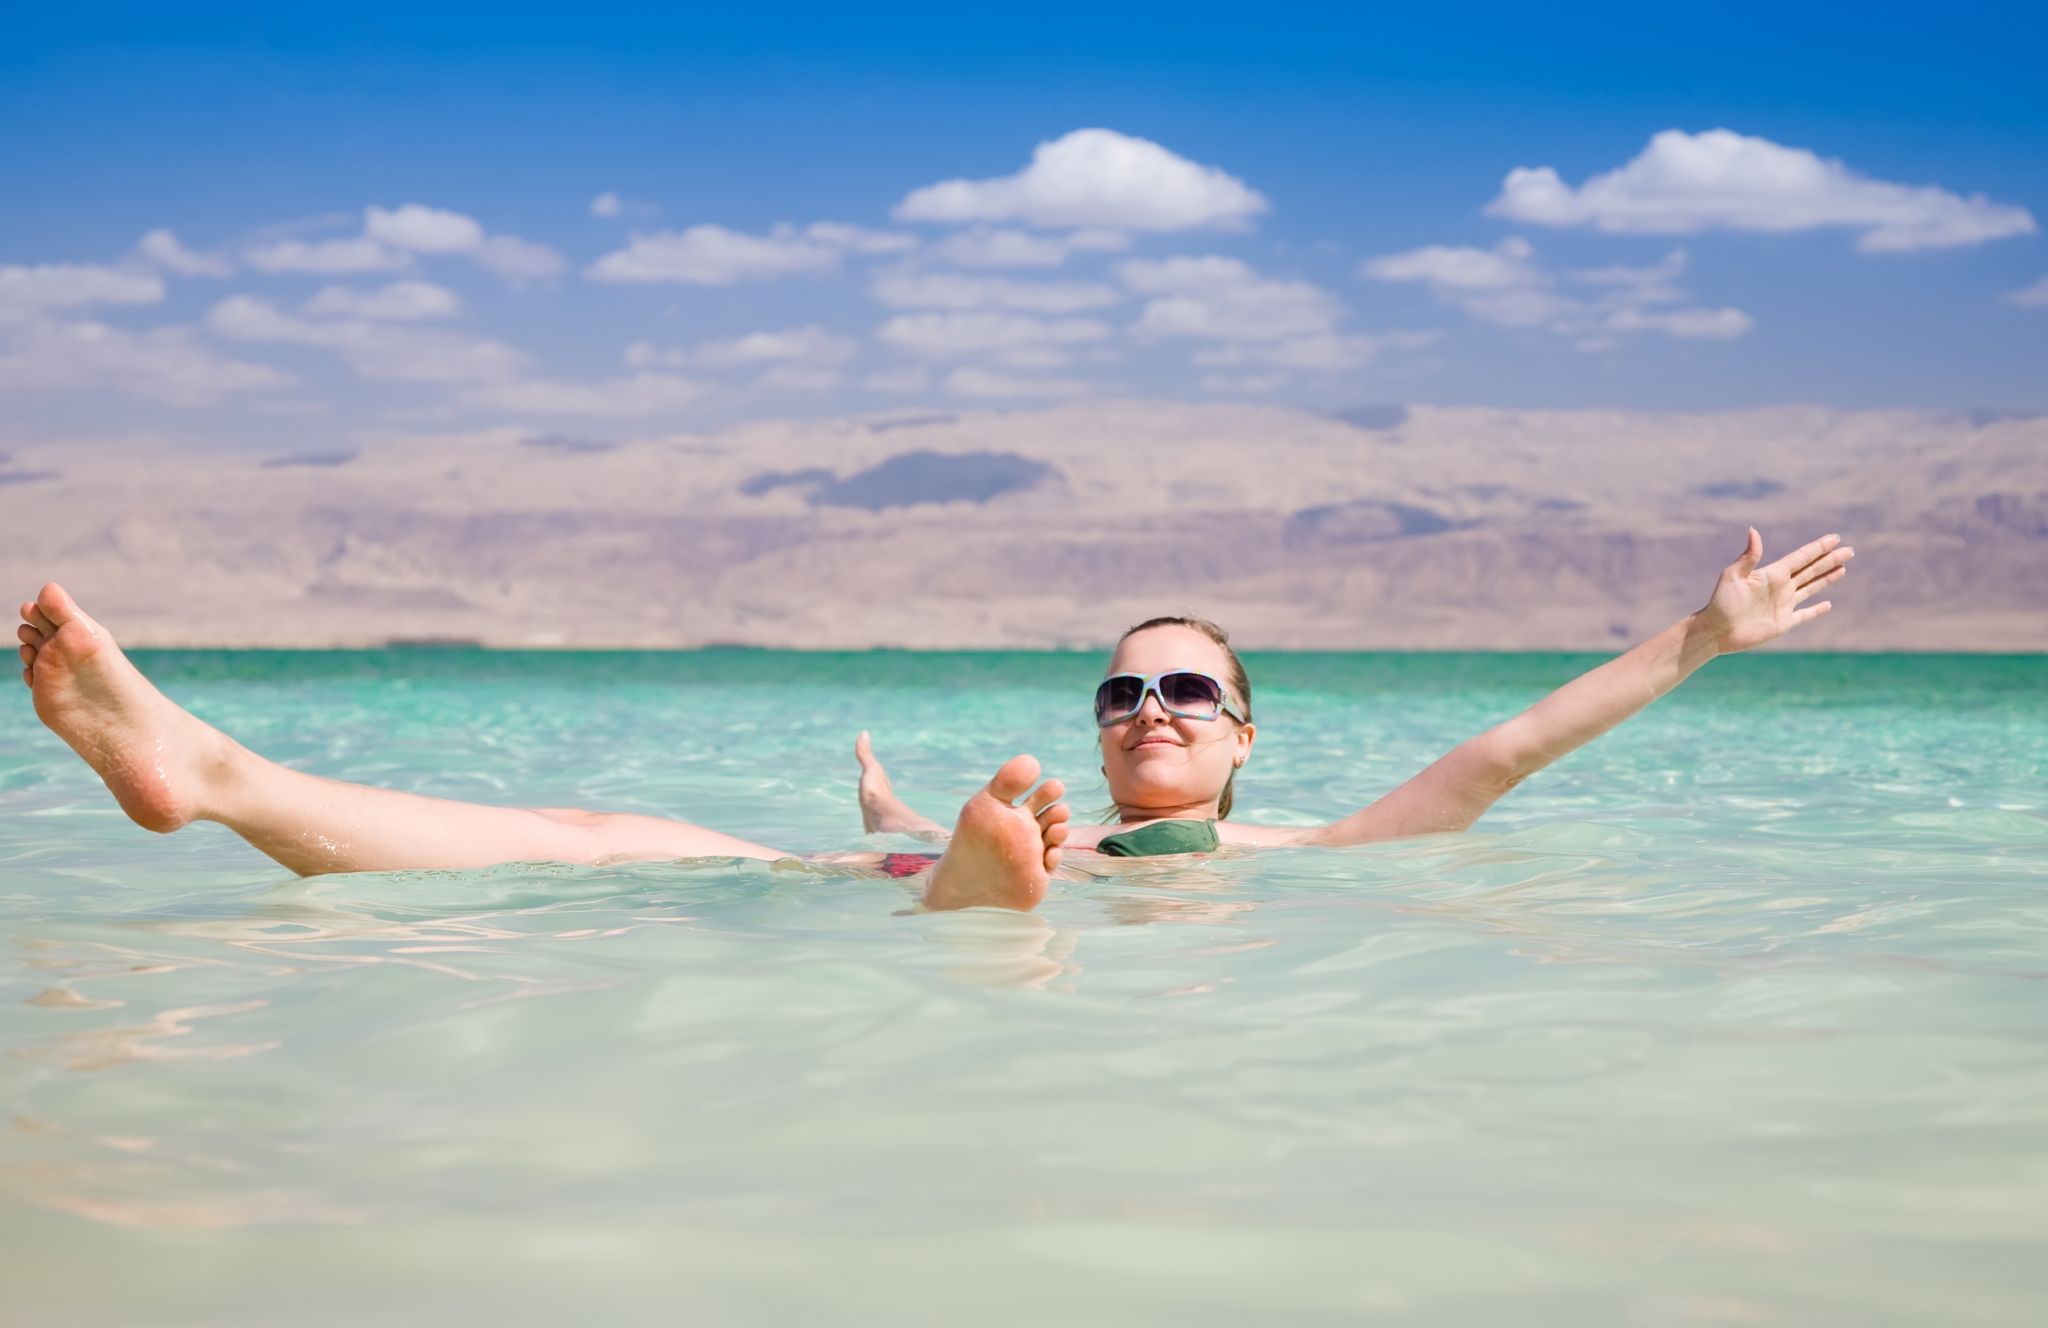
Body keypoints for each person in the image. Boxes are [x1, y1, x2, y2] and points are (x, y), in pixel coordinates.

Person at [16, 528, 1851, 914]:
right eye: (1123, 686)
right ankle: (211, 770)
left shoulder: (1315, 849)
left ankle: (991, 882)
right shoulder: (1052, 796)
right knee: (589, 836)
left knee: (1010, 890)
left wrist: (1696, 640)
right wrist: (896, 805)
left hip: (1003, 887)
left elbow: (1506, 752)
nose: (1149, 704)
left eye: (1184, 690)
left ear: (1246, 735)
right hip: (903, 866)